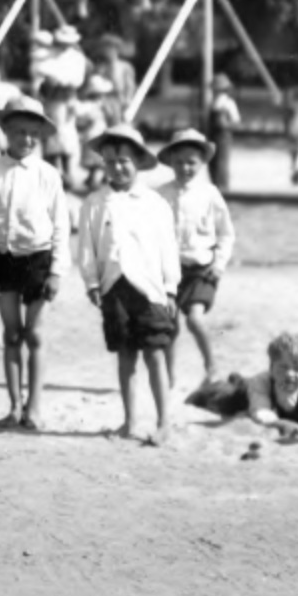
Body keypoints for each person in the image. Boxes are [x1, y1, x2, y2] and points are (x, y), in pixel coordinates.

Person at [75, 123, 182, 446]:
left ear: (138, 161)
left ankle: (164, 422)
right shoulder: (95, 202)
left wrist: (171, 287)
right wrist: (92, 282)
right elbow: (87, 247)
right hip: (113, 287)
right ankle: (129, 420)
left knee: (155, 354)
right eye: (109, 161)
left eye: (124, 160)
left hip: (150, 288)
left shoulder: (154, 203)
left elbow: (168, 247)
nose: (117, 167)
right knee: (125, 355)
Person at [0, 98, 71, 431]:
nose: (26, 139)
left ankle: (35, 408)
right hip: (2, 259)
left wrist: (57, 271)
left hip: (39, 260)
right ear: (5, 131)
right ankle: (14, 406)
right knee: (12, 334)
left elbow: (60, 225)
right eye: (18, 132)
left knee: (35, 335)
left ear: (40, 135)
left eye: (32, 133)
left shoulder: (48, 174)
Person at [156, 128, 235, 393]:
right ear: (170, 162)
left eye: (191, 162)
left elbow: (226, 233)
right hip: (169, 270)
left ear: (202, 163)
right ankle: (168, 375)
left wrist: (219, 263)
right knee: (168, 325)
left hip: (202, 267)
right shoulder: (160, 194)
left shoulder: (210, 193)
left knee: (194, 318)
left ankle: (212, 367)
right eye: (179, 161)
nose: (185, 167)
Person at [198, 332, 298, 442]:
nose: (290, 374)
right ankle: (234, 382)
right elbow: (260, 412)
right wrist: (282, 424)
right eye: (283, 367)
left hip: (283, 408)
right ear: (271, 366)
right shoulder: (262, 382)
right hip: (247, 395)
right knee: (220, 397)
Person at [204, 74, 240, 191]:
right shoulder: (213, 103)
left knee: (222, 162)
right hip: (212, 135)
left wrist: (226, 125)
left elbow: (236, 122)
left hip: (223, 136)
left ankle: (223, 187)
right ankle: (215, 185)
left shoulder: (228, 103)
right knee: (212, 162)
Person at [92, 35, 137, 114]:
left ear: (116, 50)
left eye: (110, 48)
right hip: (104, 99)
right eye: (105, 48)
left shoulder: (125, 67)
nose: (107, 51)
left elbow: (129, 85)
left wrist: (128, 99)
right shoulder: (101, 67)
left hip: (120, 99)